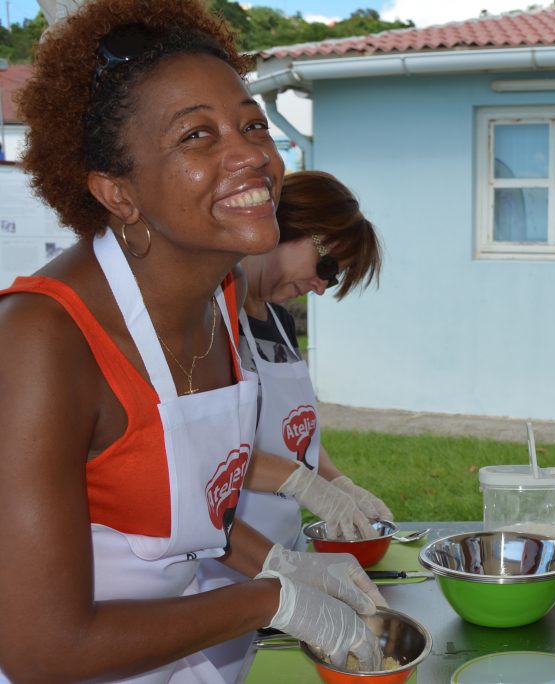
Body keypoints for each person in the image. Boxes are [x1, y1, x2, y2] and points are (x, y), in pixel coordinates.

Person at [0, 2, 383, 682]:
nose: (253, 157)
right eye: (197, 136)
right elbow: (41, 649)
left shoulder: (220, 298)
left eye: (252, 124)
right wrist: (275, 599)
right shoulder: (42, 342)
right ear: (118, 193)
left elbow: (190, 512)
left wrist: (279, 562)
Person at [198, 170, 391, 683]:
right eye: (325, 265)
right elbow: (205, 455)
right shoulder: (214, 316)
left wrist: (334, 482)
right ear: (286, 224)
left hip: (281, 562)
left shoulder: (280, 320)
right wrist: (301, 484)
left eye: (333, 279)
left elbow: (297, 436)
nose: (321, 287)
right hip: (220, 569)